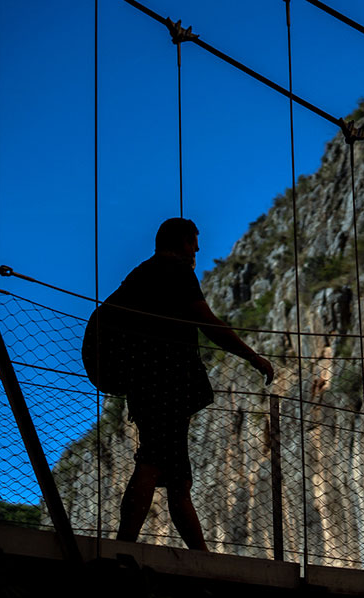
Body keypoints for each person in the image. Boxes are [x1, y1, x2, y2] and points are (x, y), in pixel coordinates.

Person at [114, 217, 275, 551]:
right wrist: (252, 357)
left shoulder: (138, 276)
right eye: (193, 242)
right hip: (167, 385)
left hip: (143, 384)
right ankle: (124, 546)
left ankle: (199, 556)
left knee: (178, 480)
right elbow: (208, 323)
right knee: (153, 462)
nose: (198, 249)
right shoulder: (174, 271)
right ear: (180, 242)